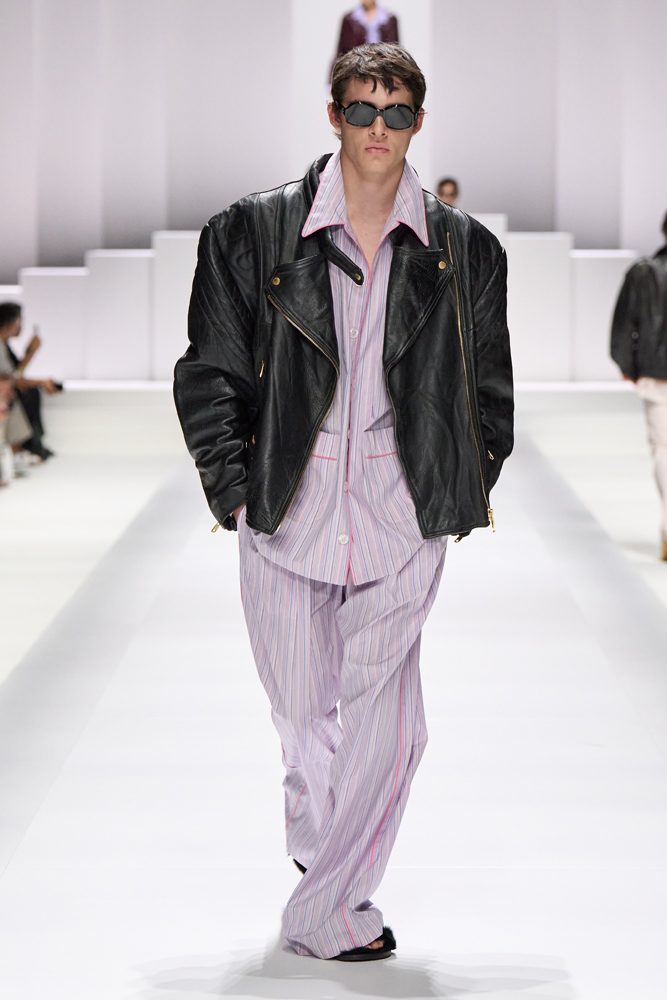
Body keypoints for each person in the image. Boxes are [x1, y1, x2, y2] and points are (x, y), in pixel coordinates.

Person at [174, 42, 513, 962]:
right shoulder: (250, 232)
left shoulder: (464, 249)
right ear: (333, 116)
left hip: (401, 511)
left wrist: (458, 482)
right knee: (302, 715)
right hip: (286, 506)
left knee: (393, 731)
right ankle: (323, 847)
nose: (377, 129)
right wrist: (236, 493)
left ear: (417, 123)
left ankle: (327, 909)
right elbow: (209, 371)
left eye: (395, 113)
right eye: (361, 110)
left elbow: (488, 388)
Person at [611, 212, 667, 559]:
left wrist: (630, 367)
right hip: (655, 373)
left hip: (656, 375)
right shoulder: (643, 272)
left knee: (663, 450)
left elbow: (622, 326)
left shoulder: (644, 272)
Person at [0, 302, 59, 461]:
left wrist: (30, 353)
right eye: (19, 321)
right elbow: (11, 378)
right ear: (11, 322)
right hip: (4, 390)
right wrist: (30, 355)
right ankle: (26, 447)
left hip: (5, 389)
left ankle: (29, 446)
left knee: (28, 392)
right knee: (24, 394)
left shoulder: (4, 344)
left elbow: (14, 375)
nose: (21, 326)